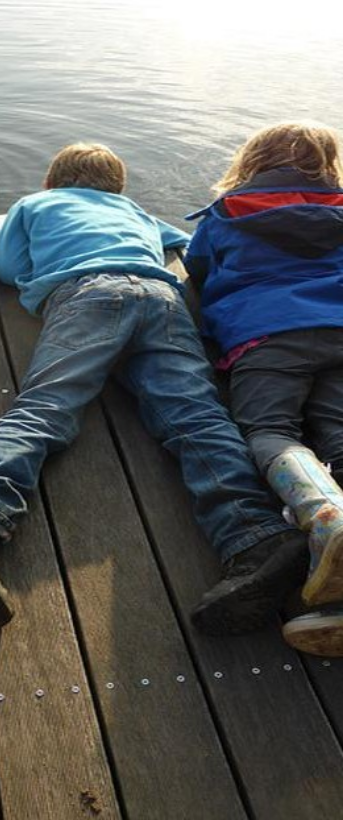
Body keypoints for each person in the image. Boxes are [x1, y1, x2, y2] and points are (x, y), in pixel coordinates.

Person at [0, 142, 306, 633]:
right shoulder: (134, 210)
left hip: (88, 294)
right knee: (196, 414)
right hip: (161, 297)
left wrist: (40, 276)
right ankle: (257, 535)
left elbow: (6, 266)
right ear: (117, 187)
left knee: (47, 406)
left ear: (52, 180)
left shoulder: (36, 203)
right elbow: (179, 242)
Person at [183, 122, 343, 656]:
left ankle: (325, 514)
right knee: (338, 430)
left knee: (272, 428)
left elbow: (198, 269)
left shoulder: (227, 212)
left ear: (252, 160)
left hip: (266, 334)